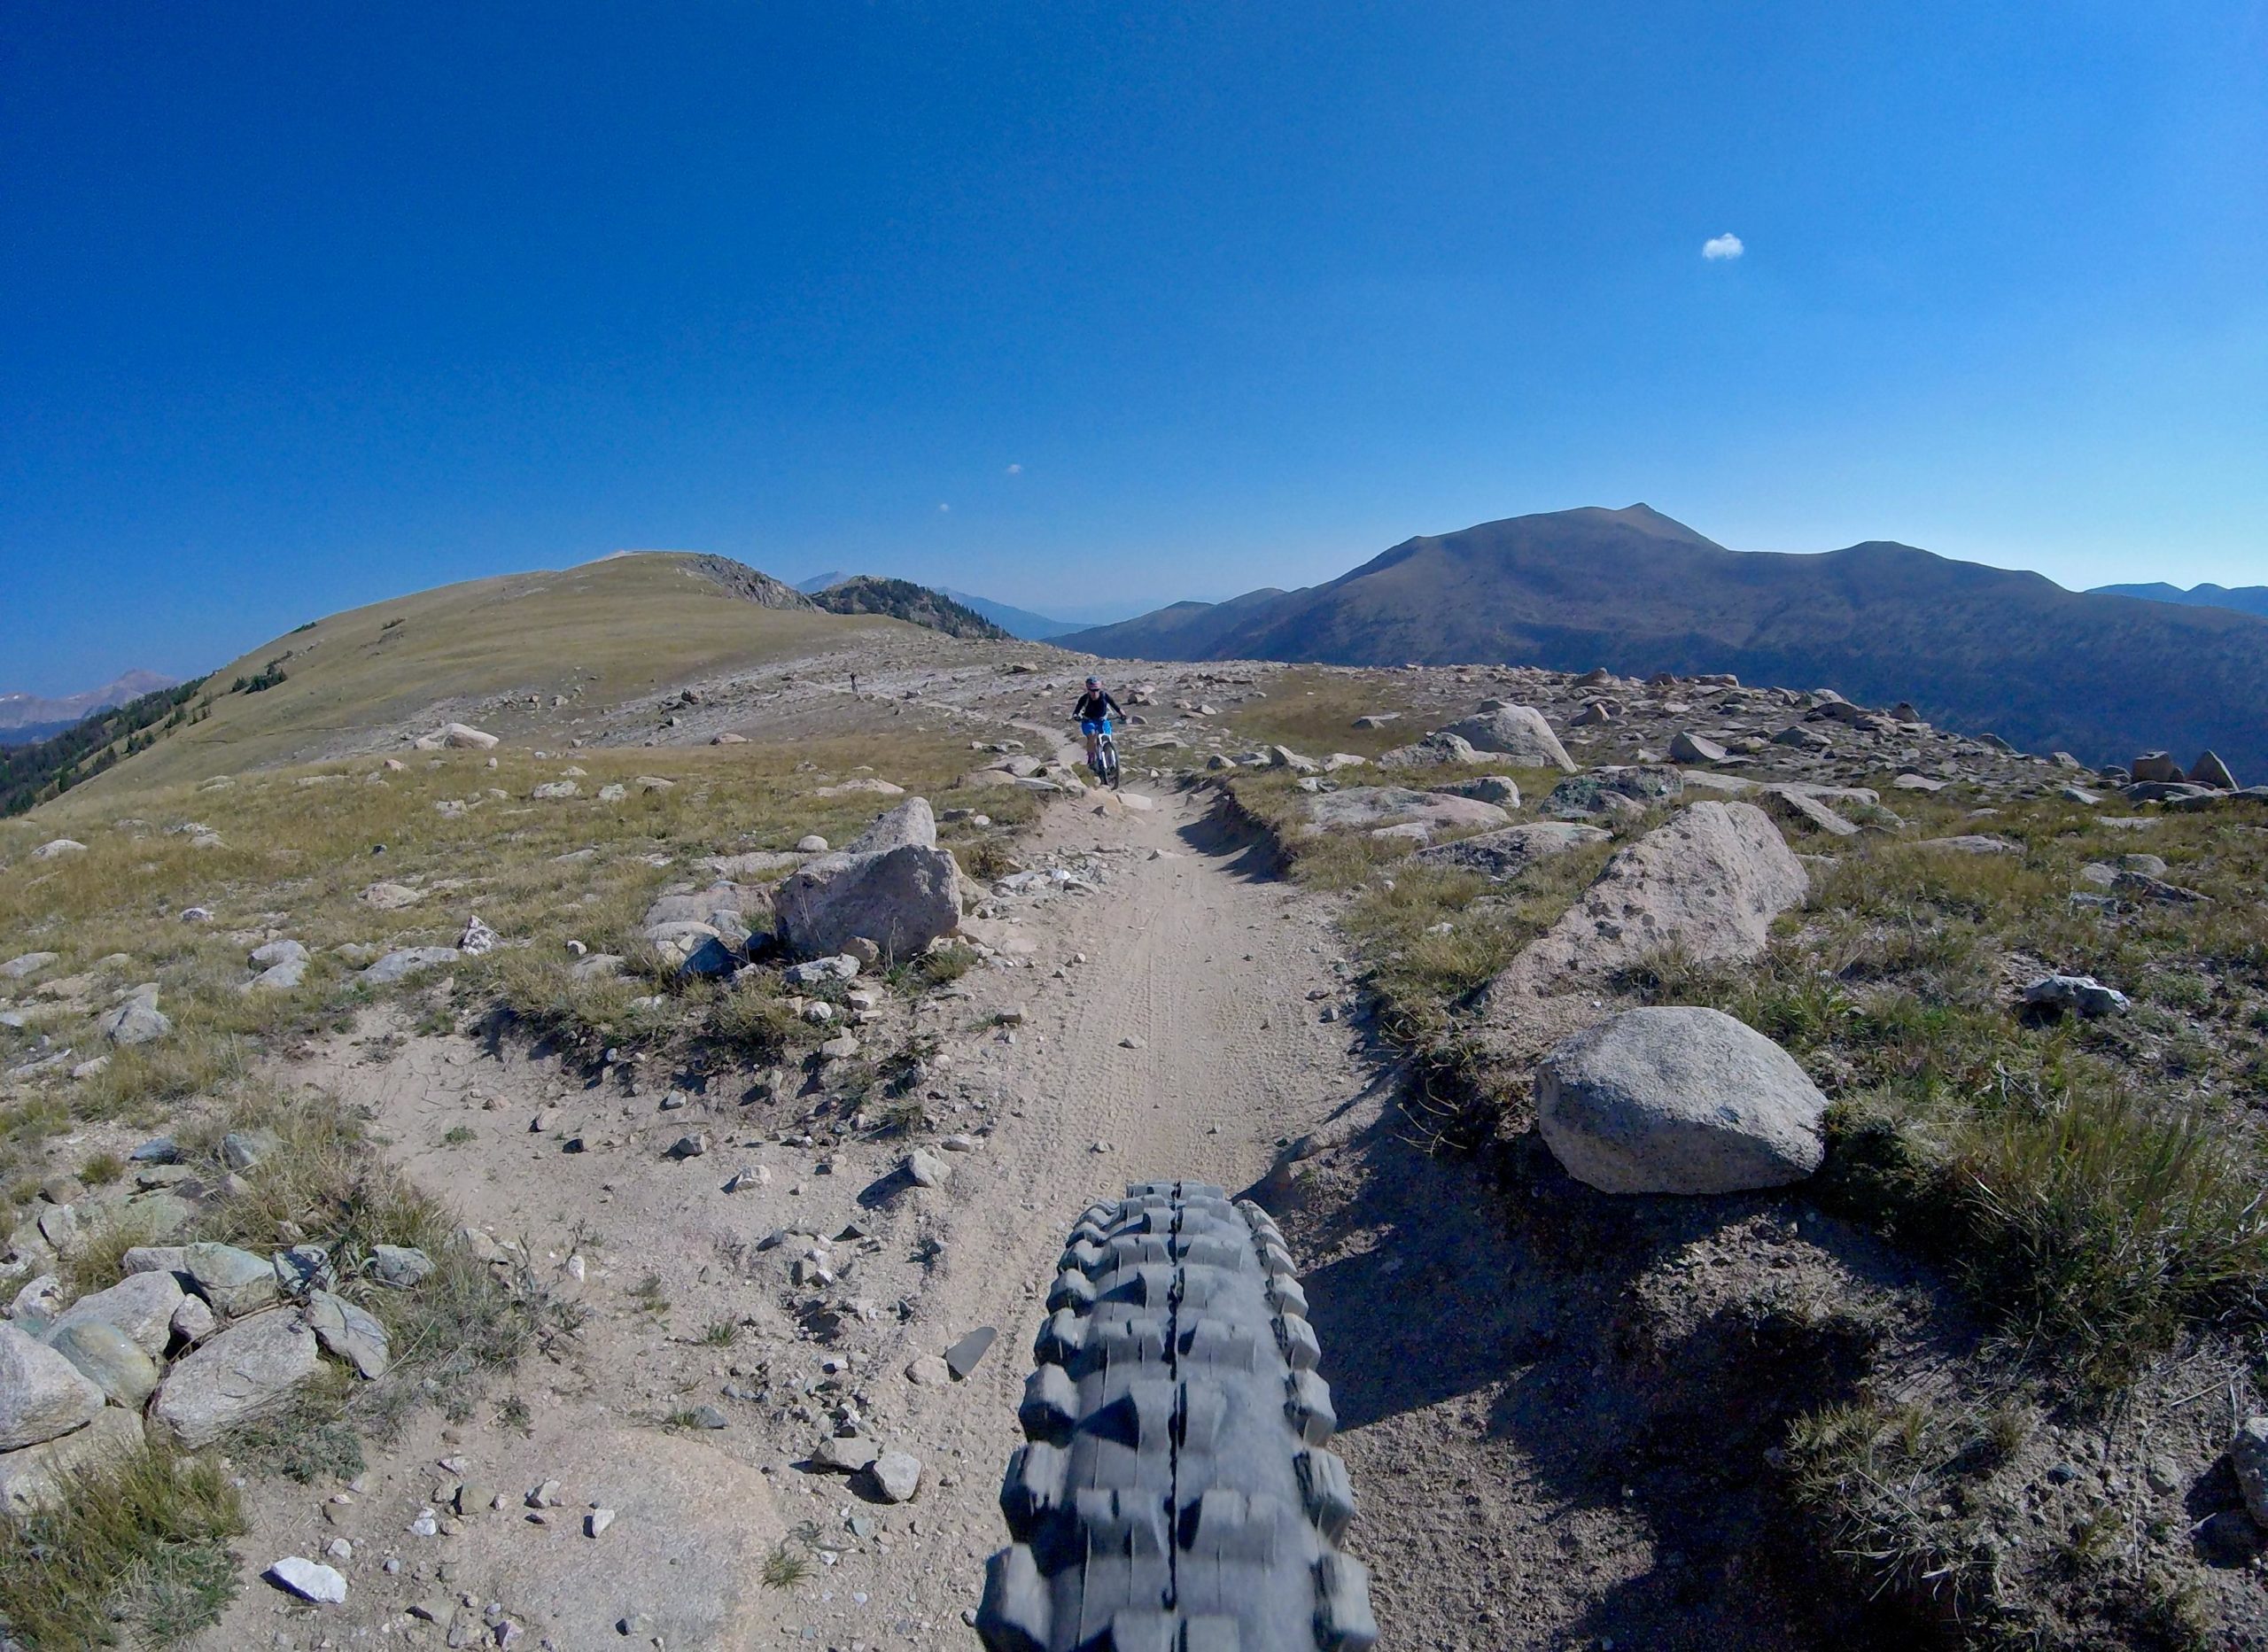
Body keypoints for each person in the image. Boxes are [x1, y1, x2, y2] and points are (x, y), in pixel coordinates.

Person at [1074, 676, 1125, 772]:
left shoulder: (1105, 696)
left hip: (1102, 720)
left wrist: (1122, 714)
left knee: (1107, 738)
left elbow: (1116, 706)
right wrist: (1076, 716)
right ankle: (1091, 759)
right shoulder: (1084, 698)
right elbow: (1077, 710)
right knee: (1092, 736)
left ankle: (1112, 763)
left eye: (1096, 690)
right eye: (1092, 690)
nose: (1094, 693)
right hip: (1088, 721)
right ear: (1088, 689)